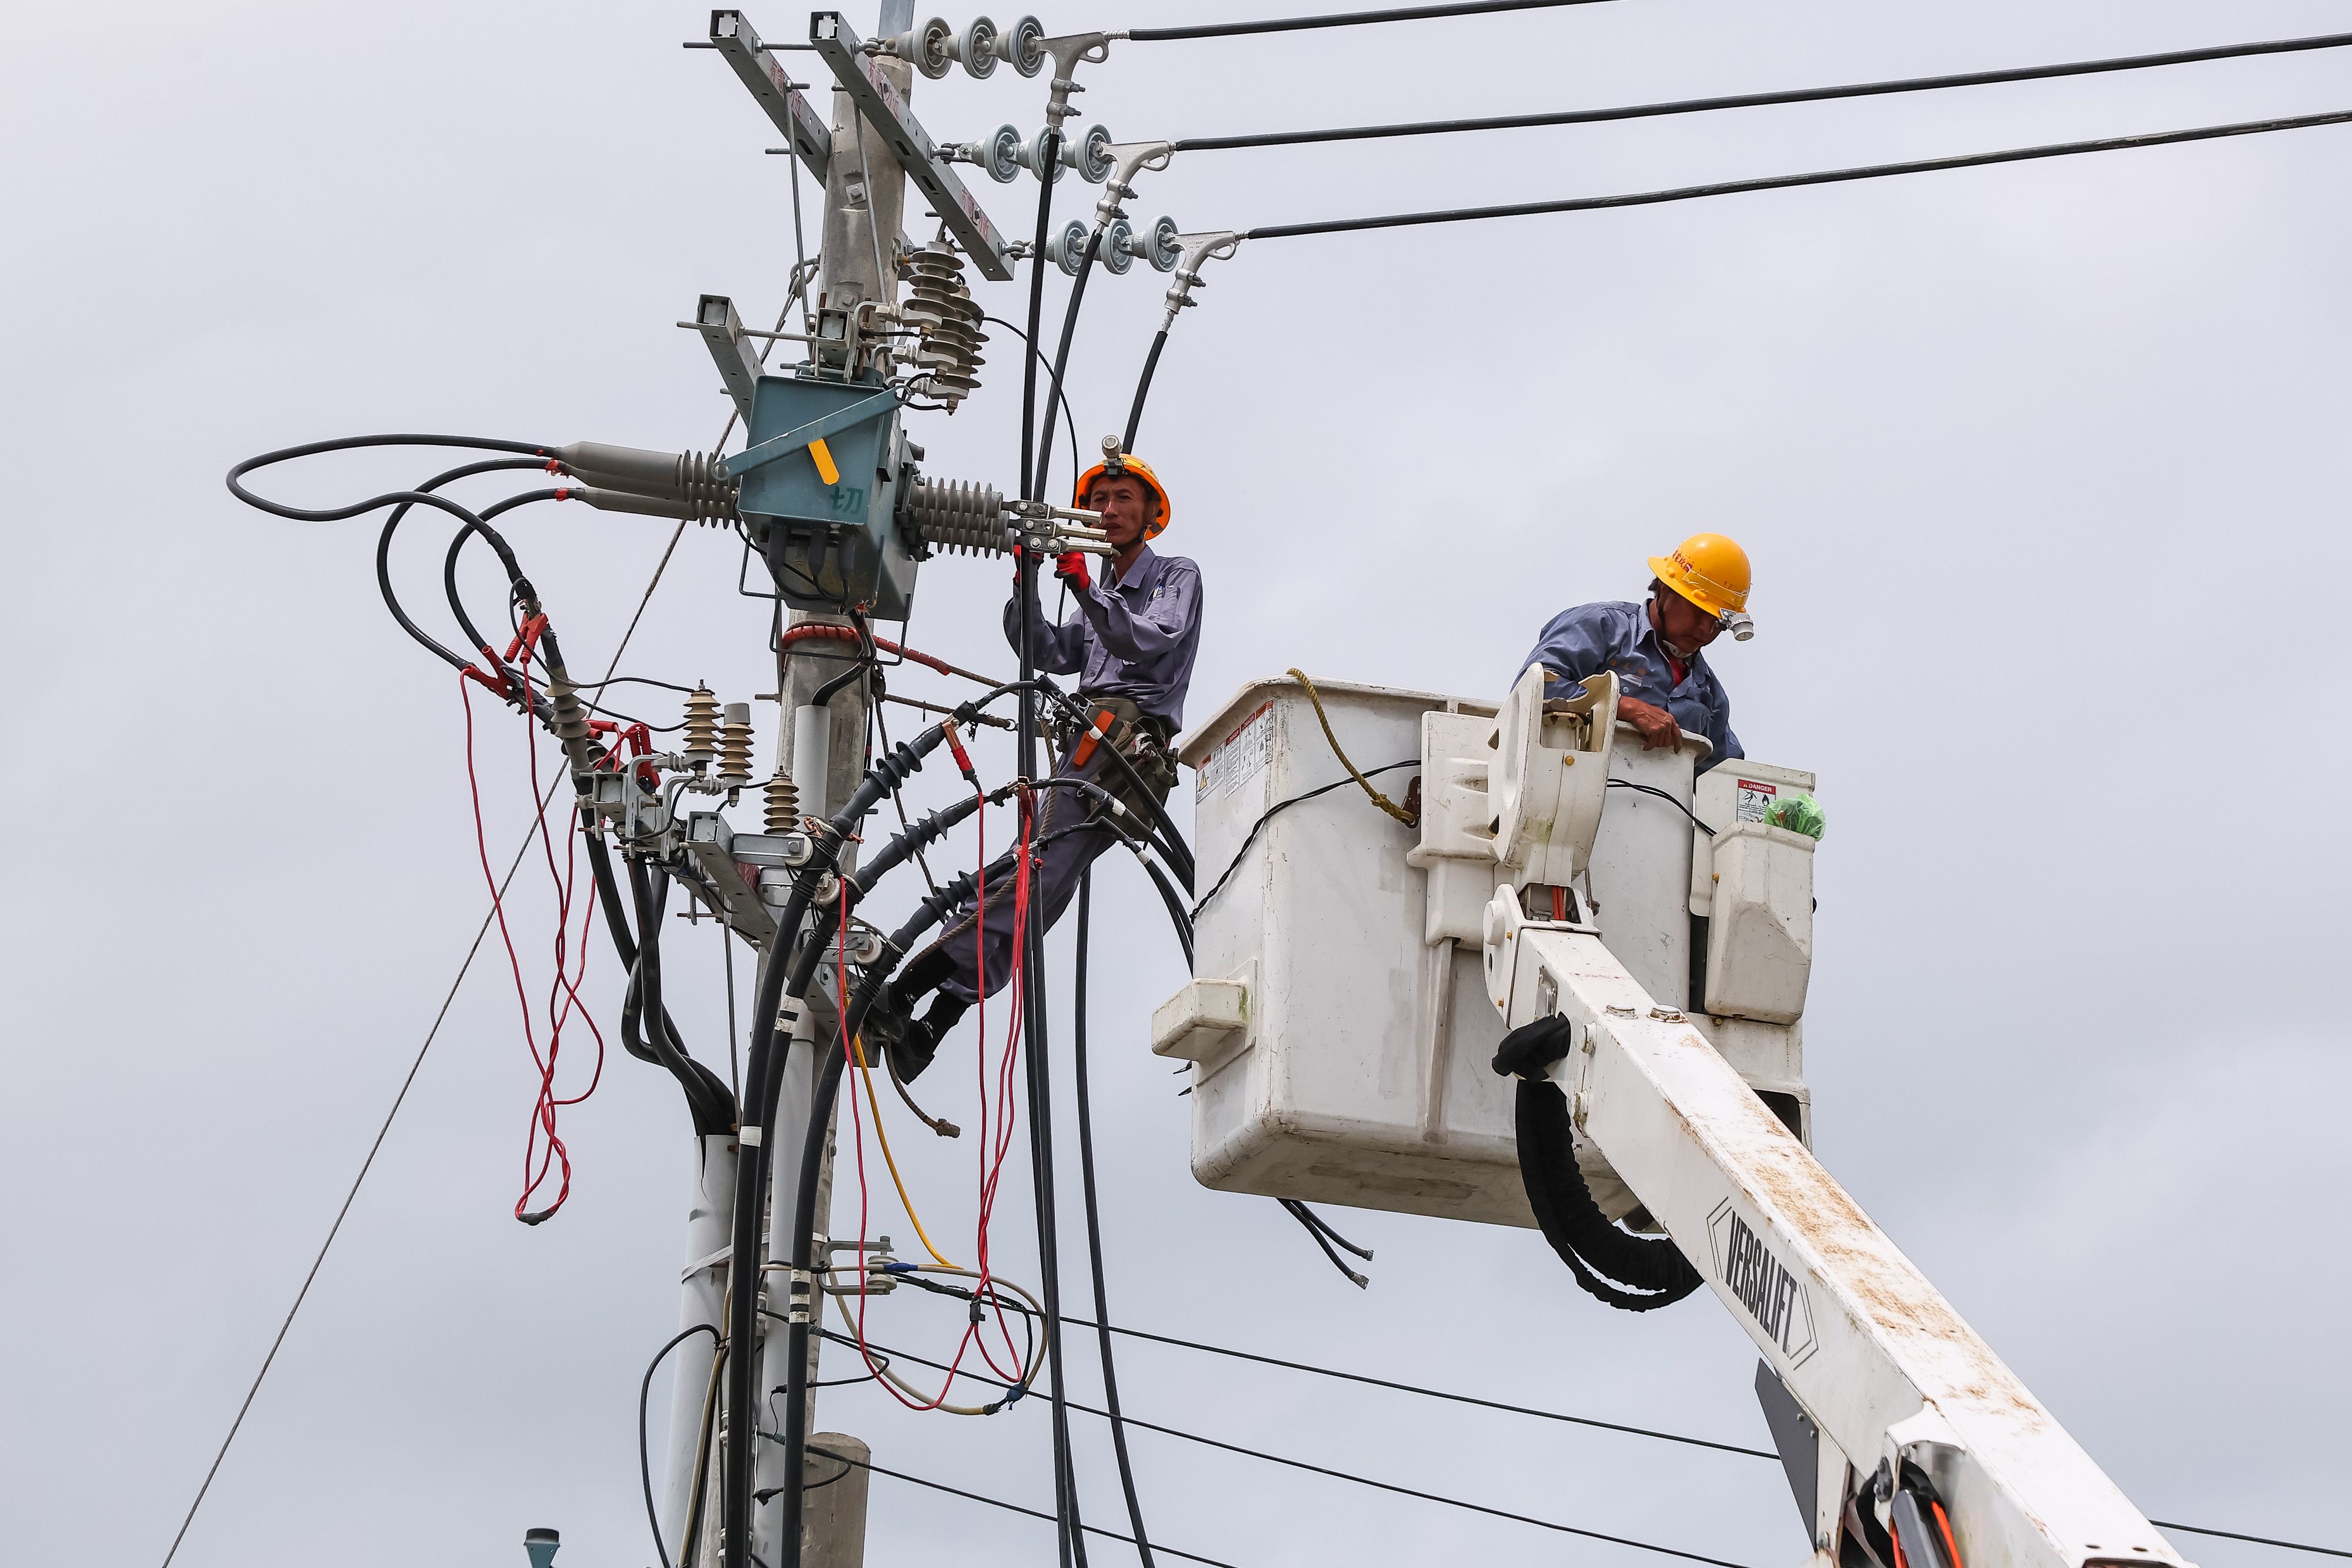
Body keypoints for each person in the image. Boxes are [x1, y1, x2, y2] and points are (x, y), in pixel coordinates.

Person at [870, 448, 1203, 1081]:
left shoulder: (1172, 578)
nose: (1108, 511)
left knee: (1039, 881)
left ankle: (914, 984)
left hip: (1122, 752)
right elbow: (1045, 648)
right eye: (1098, 501)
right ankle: (933, 1024)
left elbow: (1144, 639)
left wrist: (1080, 583)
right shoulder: (1101, 593)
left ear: (1150, 512)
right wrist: (1026, 581)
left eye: (1122, 499)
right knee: (1038, 886)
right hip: (1088, 749)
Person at [1514, 532, 1754, 771]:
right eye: (1699, 611)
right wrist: (1622, 707)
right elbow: (1533, 687)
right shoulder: (1602, 627)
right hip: (1568, 792)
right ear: (1666, 589)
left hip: (1656, 807)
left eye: (1718, 623)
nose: (1706, 630)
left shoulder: (1707, 691)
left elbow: (1725, 778)